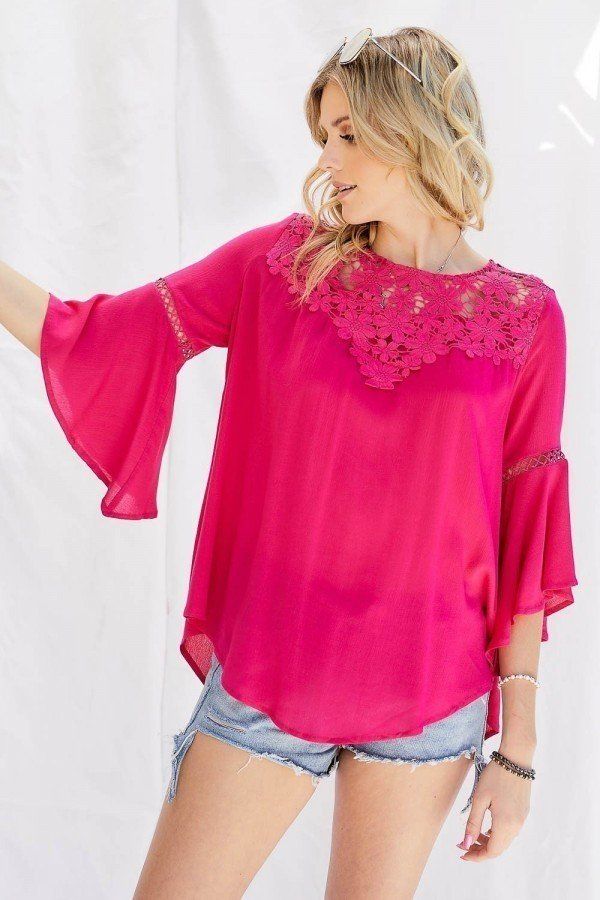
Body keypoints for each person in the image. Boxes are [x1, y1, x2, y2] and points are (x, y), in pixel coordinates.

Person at [1, 24, 578, 898]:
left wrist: (519, 753)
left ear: (411, 127)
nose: (327, 159)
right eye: (324, 136)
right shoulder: (281, 267)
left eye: (347, 133)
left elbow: (527, 538)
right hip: (273, 677)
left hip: (429, 698)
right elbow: (98, 334)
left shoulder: (526, 318)